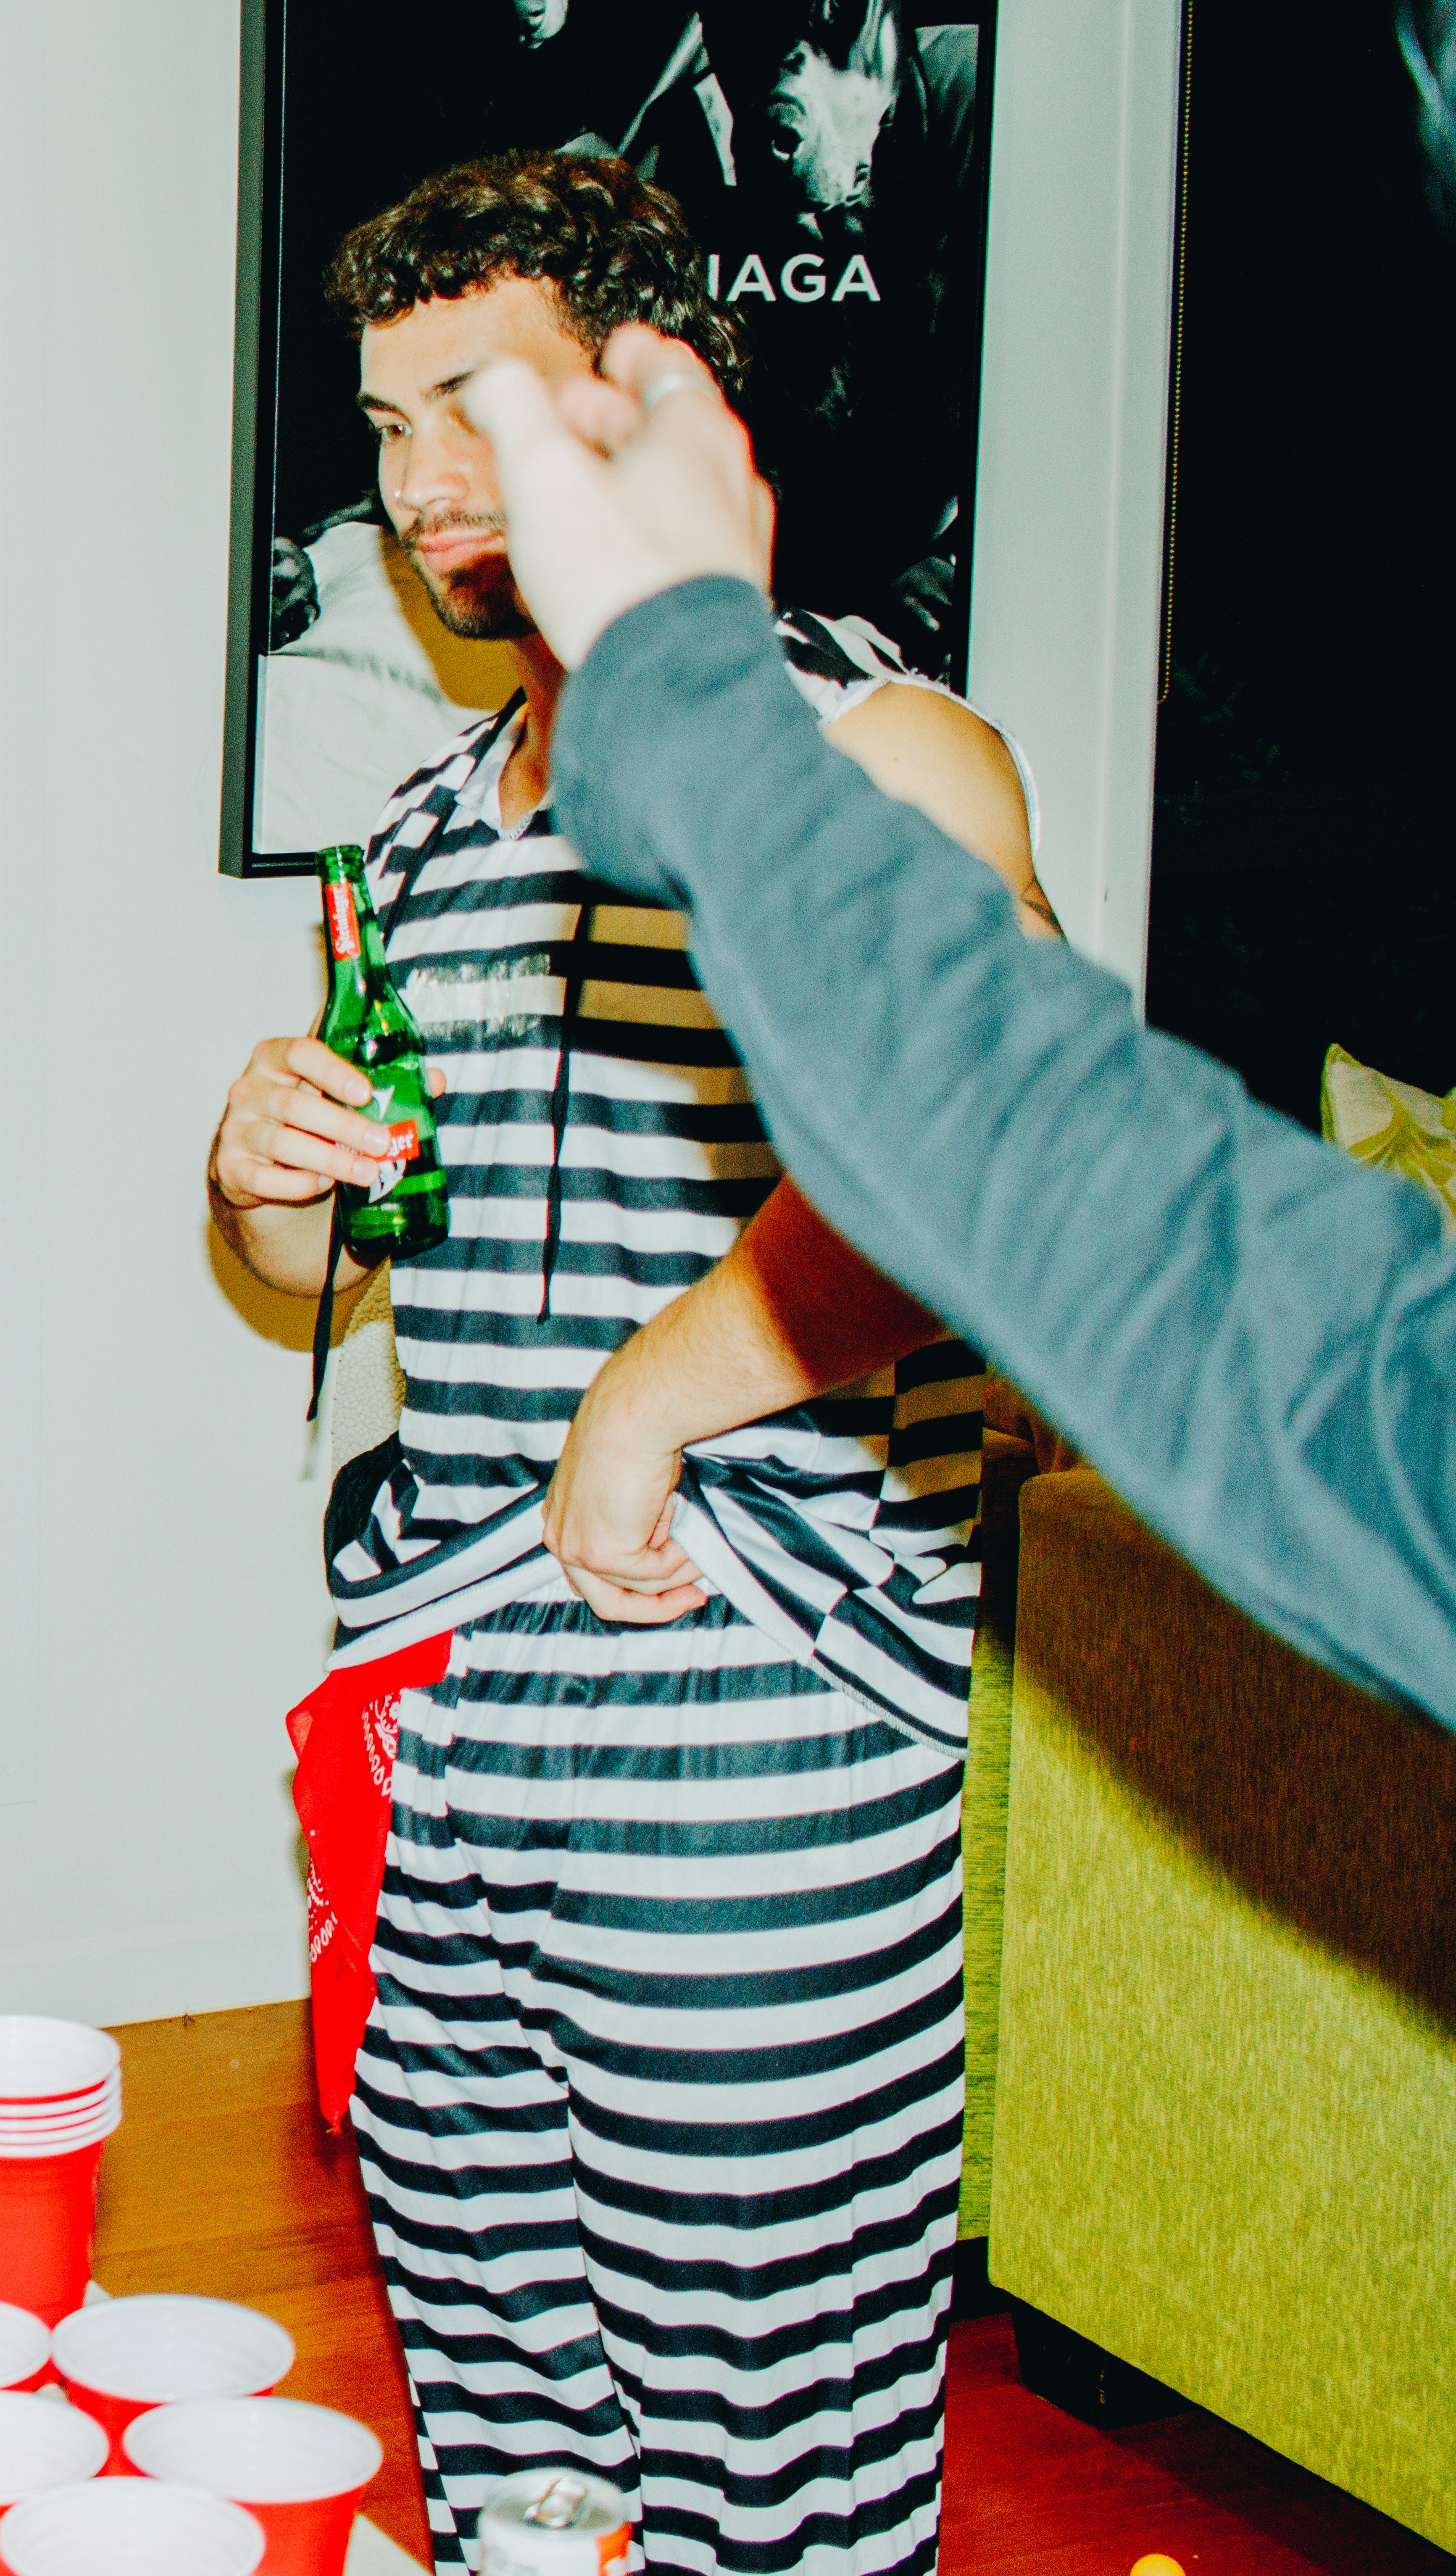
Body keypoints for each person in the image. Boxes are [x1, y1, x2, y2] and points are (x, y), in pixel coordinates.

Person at [207, 152, 1040, 2576]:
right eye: (381, 428)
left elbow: (980, 1166)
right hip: (454, 1704)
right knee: (501, 2398)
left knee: (761, 2403)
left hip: (756, 1712)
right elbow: (351, 1284)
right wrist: (256, 1185)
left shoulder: (884, 751)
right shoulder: (415, 841)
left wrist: (652, 1398)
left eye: (470, 404)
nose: (422, 482)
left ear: (655, 393)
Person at [449, 323, 1456, 1725]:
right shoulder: (424, 824)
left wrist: (690, 703)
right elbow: (1281, 1345)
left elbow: (1154, 1268)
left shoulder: (908, 741)